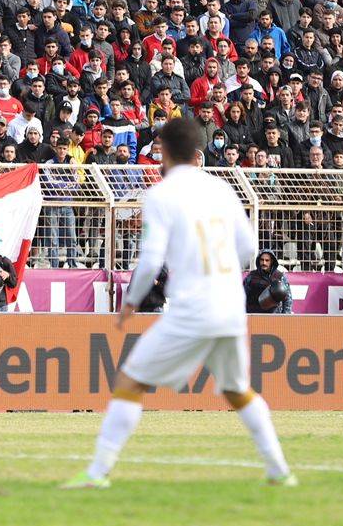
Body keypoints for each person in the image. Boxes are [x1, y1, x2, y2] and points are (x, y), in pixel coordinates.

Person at [63, 116, 292, 489]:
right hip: (230, 305)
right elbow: (249, 249)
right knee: (237, 390)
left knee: (130, 382)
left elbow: (151, 259)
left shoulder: (161, 194)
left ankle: (97, 472)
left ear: (163, 152)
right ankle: (279, 469)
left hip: (192, 307)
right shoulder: (221, 188)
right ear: (197, 151)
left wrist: (130, 304)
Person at [243, 249, 292, 314]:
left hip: (274, 317)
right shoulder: (251, 277)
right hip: (255, 315)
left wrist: (285, 317)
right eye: (262, 260)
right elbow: (242, 296)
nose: (264, 263)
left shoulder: (280, 276)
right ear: (258, 261)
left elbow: (287, 299)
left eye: (267, 260)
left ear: (272, 261)